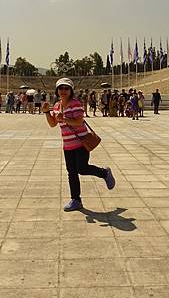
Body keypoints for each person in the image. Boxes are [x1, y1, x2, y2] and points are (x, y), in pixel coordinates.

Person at [43, 78, 115, 212]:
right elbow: (53, 124)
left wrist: (63, 118)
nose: (63, 91)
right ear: (57, 90)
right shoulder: (57, 105)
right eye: (61, 88)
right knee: (71, 173)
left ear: (71, 90)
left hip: (81, 142)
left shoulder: (75, 103)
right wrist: (47, 112)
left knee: (81, 169)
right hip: (67, 145)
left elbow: (78, 121)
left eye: (66, 88)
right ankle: (76, 200)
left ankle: (104, 173)